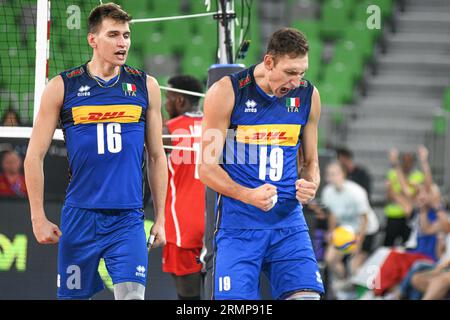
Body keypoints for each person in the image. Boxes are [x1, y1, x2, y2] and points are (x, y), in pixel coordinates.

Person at [24, 3, 167, 300]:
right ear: (93, 39)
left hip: (128, 219)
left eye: (126, 35)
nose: (122, 42)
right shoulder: (62, 86)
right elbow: (34, 156)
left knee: (132, 297)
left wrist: (161, 217)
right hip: (80, 218)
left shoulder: (146, 86)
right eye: (113, 35)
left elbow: (156, 156)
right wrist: (37, 217)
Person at [199, 28, 325, 300]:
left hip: (288, 225)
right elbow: (206, 169)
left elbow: (311, 162)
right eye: (290, 72)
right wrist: (248, 195)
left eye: (301, 72)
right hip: (238, 227)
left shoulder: (308, 96)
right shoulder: (226, 92)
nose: (296, 81)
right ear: (269, 62)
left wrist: (311, 183)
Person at [162, 75, 205, 300]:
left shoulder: (168, 131)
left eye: (167, 98)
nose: (165, 104)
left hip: (183, 227)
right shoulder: (217, 126)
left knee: (189, 299)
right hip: (217, 225)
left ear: (179, 101)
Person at [321, 162, 379, 285]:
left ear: (343, 175)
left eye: (334, 174)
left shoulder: (356, 192)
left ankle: (357, 290)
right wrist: (331, 233)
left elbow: (365, 218)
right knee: (329, 259)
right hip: (346, 230)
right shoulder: (327, 192)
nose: (331, 177)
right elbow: (332, 214)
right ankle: (344, 284)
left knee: (354, 267)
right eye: (329, 174)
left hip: (366, 230)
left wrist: (359, 240)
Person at [383, 149, 424, 246]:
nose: (406, 164)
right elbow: (391, 195)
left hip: (410, 217)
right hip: (393, 215)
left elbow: (409, 194)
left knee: (407, 246)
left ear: (413, 162)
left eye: (409, 161)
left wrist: (395, 163)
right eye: (404, 161)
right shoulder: (392, 173)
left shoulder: (418, 176)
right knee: (388, 245)